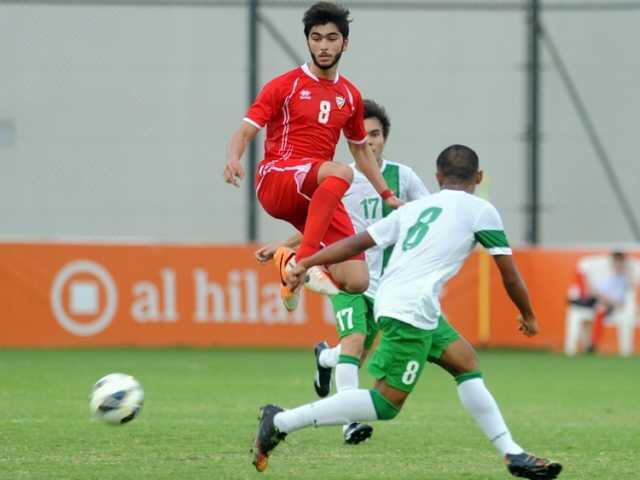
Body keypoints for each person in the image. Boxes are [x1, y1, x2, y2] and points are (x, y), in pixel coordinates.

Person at [251, 145, 563, 480]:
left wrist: (307, 261)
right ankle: (280, 422)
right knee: (384, 405)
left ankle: (512, 453)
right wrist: (528, 316)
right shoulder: (481, 211)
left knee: (466, 363)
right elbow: (509, 273)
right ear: (479, 177)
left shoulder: (415, 209)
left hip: (406, 301)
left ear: (438, 177)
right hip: (410, 309)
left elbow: (357, 242)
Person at [255, 99, 429, 444]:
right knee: (354, 340)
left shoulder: (402, 177)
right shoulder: (340, 178)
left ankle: (325, 357)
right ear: (352, 140)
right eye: (362, 136)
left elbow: (426, 212)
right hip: (347, 273)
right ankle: (350, 422)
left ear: (385, 138)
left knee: (360, 350)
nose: (370, 141)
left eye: (376, 134)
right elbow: (317, 224)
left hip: (387, 284)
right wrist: (282, 246)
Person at [224, 2, 401, 312]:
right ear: (307, 41)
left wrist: (386, 193)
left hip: (317, 189)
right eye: (316, 37)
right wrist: (233, 157)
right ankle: (305, 264)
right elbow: (245, 131)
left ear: (345, 43)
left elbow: (360, 148)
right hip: (278, 177)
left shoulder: (349, 95)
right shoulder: (284, 86)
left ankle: (292, 267)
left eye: (331, 38)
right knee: (342, 173)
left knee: (357, 280)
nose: (323, 45)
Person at [568, 251, 631, 353]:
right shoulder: (609, 277)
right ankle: (587, 346)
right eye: (615, 262)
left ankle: (592, 344)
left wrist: (606, 299)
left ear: (623, 263)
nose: (617, 265)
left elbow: (619, 300)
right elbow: (599, 291)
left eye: (620, 262)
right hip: (599, 300)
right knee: (587, 311)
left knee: (599, 309)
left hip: (610, 304)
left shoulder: (624, 279)